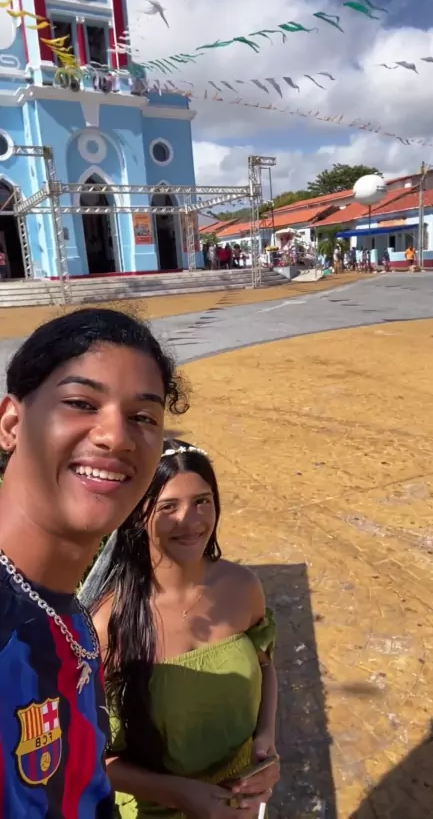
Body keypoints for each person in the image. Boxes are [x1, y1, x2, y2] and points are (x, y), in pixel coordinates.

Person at [0, 308, 187, 818]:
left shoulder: (71, 615)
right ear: (12, 423)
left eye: (143, 417)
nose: (116, 437)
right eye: (82, 403)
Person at [83, 440, 280, 819]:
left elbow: (266, 665)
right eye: (168, 507)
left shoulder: (243, 587)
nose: (191, 521)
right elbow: (89, 755)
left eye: (202, 501)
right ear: (138, 516)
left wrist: (266, 743)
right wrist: (179, 794)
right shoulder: (108, 624)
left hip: (241, 803)